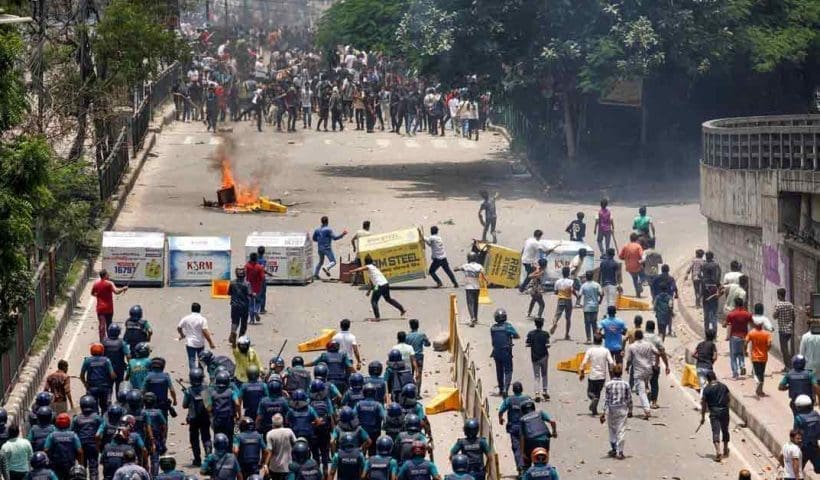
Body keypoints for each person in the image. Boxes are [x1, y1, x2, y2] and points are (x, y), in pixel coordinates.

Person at [350, 256, 406, 320]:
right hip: (385, 284)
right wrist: (369, 291)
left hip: (379, 286)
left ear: (365, 262)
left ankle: (377, 317)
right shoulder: (374, 268)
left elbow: (361, 269)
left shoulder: (369, 266)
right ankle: (402, 309)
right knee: (388, 299)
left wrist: (352, 271)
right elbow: (372, 282)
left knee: (374, 301)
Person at [624, 331, 662, 420]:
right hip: (649, 370)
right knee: (645, 385)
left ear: (635, 337)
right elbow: (658, 353)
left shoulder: (632, 346)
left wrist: (627, 367)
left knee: (641, 392)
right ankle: (647, 390)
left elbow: (629, 359)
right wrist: (656, 364)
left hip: (638, 371)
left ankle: (647, 410)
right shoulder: (648, 344)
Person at [497, 382, 529, 475]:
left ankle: (520, 467)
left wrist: (500, 419)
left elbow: (501, 411)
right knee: (526, 447)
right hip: (526, 427)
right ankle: (527, 467)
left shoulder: (509, 400)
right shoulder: (527, 399)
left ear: (513, 390)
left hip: (514, 428)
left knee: (517, 448)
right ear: (521, 389)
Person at [600, 364, 631, 459]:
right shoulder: (626, 384)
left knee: (612, 429)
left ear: (613, 373)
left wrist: (603, 413)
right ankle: (620, 451)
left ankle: (614, 448)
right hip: (622, 409)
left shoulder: (608, 384)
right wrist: (630, 410)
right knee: (621, 430)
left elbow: (606, 399)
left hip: (612, 409)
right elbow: (629, 398)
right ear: (621, 373)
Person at [182, 368, 211, 467]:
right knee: (206, 437)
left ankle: (197, 460)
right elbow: (208, 405)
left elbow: (184, 405)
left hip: (193, 418)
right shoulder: (205, 389)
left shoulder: (189, 391)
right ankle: (208, 455)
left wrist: (187, 396)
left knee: (194, 439)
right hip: (205, 417)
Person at [700, 371, 731, 462]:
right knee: (725, 430)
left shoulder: (706, 389)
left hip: (714, 412)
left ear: (708, 379)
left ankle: (718, 451)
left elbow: (703, 404)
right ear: (715, 377)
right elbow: (729, 398)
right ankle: (725, 448)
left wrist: (702, 417)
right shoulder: (723, 386)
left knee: (716, 431)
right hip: (724, 410)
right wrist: (726, 406)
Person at [579, 334, 613, 416]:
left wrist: (582, 371)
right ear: (602, 341)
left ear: (594, 341)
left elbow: (584, 362)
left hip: (593, 375)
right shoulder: (606, 350)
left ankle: (593, 399)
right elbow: (611, 362)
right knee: (598, 393)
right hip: (602, 376)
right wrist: (612, 371)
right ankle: (594, 410)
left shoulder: (590, 350)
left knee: (590, 392)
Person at [517, 400, 556, 471]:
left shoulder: (522, 419)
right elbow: (552, 421)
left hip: (531, 442)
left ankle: (527, 473)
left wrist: (522, 453)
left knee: (527, 462)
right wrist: (554, 432)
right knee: (544, 457)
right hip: (545, 439)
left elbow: (522, 437)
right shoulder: (540, 413)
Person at [90, 269, 127, 342]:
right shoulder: (110, 283)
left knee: (101, 325)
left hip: (100, 308)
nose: (109, 276)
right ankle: (110, 340)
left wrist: (98, 296)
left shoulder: (96, 284)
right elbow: (116, 292)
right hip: (109, 308)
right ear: (105, 275)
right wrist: (123, 288)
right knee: (109, 324)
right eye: (108, 274)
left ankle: (102, 341)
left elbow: (92, 293)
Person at [71, 396, 102, 480]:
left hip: (81, 446)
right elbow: (102, 430)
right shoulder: (97, 417)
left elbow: (72, 432)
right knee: (93, 468)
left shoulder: (76, 419)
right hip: (93, 445)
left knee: (82, 468)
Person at [178, 303, 216, 371]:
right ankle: (200, 375)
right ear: (199, 310)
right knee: (201, 360)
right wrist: (211, 342)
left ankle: (193, 375)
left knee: (191, 359)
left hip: (190, 343)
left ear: (191, 309)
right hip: (200, 343)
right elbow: (205, 331)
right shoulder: (202, 319)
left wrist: (182, 335)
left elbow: (179, 327)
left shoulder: (186, 318)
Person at [44, 413, 83, 479]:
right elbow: (80, 451)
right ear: (68, 423)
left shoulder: (52, 435)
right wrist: (80, 465)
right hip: (70, 465)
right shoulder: (73, 435)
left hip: (56, 465)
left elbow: (46, 449)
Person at [490, 309, 519, 399]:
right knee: (508, 370)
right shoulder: (508, 327)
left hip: (496, 352)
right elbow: (516, 335)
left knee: (499, 371)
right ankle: (506, 389)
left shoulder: (493, 328)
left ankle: (501, 388)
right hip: (506, 352)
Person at [80, 343, 115, 413]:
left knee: (93, 407)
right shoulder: (106, 360)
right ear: (102, 351)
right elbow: (112, 375)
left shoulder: (87, 361)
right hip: (104, 387)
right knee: (105, 408)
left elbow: (82, 375)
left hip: (92, 388)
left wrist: (85, 383)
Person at [454, 253, 487, 327]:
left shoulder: (466, 266)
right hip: (477, 287)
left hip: (469, 287)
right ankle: (476, 317)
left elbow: (455, 269)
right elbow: (484, 273)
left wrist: (460, 268)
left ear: (468, 258)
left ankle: (472, 318)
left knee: (470, 303)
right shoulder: (479, 266)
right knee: (476, 303)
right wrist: (486, 280)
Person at [724, 298, 752, 378]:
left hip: (734, 337)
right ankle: (742, 365)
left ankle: (735, 372)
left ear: (735, 304)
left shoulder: (731, 314)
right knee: (741, 353)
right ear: (742, 304)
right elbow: (752, 323)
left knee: (733, 355)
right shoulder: (747, 314)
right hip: (744, 337)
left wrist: (725, 324)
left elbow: (725, 324)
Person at [793, 394, 820, 474]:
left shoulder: (798, 418)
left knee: (796, 471)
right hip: (815, 446)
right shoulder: (816, 414)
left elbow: (796, 434)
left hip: (803, 448)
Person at [261, 414, 294, 480]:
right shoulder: (289, 431)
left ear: (272, 423)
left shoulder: (270, 433)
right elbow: (295, 445)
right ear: (282, 422)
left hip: (274, 467)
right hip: (287, 466)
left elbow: (269, 451)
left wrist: (265, 464)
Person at [525, 318, 550, 402]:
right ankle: (545, 390)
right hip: (544, 356)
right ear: (542, 324)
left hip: (535, 357)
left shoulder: (531, 334)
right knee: (544, 374)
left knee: (536, 376)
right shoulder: (545, 334)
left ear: (535, 324)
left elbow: (527, 343)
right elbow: (547, 344)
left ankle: (537, 393)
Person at [746, 318, 773, 396]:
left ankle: (759, 385)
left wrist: (744, 351)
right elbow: (769, 344)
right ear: (761, 325)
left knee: (756, 373)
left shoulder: (751, 333)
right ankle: (760, 390)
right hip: (764, 357)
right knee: (761, 373)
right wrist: (766, 350)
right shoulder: (767, 334)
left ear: (755, 324)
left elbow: (745, 342)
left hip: (755, 357)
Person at [775, 288, 798, 371]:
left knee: (784, 350)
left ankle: (789, 367)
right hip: (789, 330)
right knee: (785, 349)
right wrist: (791, 325)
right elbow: (794, 317)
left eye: (777, 294)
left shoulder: (778, 305)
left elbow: (775, 316)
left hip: (782, 330)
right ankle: (787, 366)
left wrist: (776, 314)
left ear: (779, 295)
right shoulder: (790, 304)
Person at [550, 267, 575, 340]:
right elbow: (572, 290)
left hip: (561, 299)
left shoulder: (558, 281)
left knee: (557, 315)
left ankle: (554, 323)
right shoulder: (571, 281)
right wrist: (576, 295)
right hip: (568, 300)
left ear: (562, 273)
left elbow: (555, 292)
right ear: (568, 273)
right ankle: (567, 334)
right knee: (568, 318)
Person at [228, 267, 252, 346]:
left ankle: (233, 332)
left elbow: (229, 293)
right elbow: (250, 294)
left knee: (234, 321)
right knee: (243, 323)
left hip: (234, 305)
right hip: (244, 306)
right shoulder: (247, 284)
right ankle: (240, 339)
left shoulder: (232, 282)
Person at [405, 319, 431, 390]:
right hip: (419, 357)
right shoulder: (422, 335)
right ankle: (417, 393)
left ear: (410, 326)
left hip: (410, 357)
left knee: (410, 375)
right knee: (418, 375)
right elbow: (428, 344)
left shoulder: (407, 336)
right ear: (418, 326)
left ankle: (410, 391)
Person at [700, 251, 722, 332]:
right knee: (714, 312)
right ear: (712, 257)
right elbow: (718, 277)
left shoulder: (703, 266)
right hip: (713, 290)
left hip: (705, 290)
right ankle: (714, 332)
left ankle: (707, 332)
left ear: (706, 257)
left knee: (706, 312)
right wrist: (718, 286)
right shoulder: (716, 266)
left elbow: (700, 277)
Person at [580, 271, 603, 344]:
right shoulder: (597, 285)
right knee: (594, 323)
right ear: (592, 276)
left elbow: (579, 295)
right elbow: (601, 294)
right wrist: (600, 301)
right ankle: (595, 339)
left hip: (586, 307)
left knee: (587, 324)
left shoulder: (583, 285)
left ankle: (588, 339)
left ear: (586, 277)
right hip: (595, 306)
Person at [619, 233, 644, 297]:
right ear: (637, 239)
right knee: (643, 276)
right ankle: (640, 282)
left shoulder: (626, 246)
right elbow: (642, 256)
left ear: (630, 239)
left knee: (634, 279)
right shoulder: (638, 246)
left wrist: (625, 258)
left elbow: (620, 256)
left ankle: (637, 292)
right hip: (637, 266)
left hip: (629, 267)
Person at [597, 248, 621, 313]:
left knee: (607, 300)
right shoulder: (615, 264)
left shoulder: (602, 263)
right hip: (612, 284)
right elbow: (618, 276)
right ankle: (610, 316)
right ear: (614, 255)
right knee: (611, 301)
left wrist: (598, 284)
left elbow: (600, 274)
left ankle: (606, 314)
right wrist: (619, 285)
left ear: (607, 254)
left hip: (604, 284)